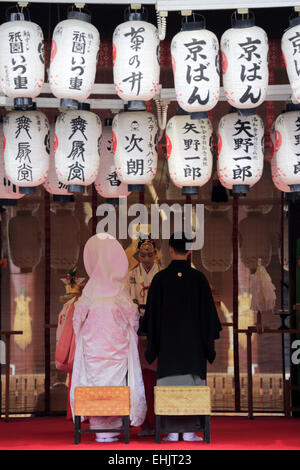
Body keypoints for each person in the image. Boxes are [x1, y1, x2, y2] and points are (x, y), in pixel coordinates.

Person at [141, 233, 222, 442]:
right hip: (193, 350)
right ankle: (189, 431)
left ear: (169, 250)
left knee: (170, 385)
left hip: (168, 349)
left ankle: (171, 430)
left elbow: (151, 317)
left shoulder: (160, 279)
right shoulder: (199, 279)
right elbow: (209, 317)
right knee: (191, 385)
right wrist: (206, 341)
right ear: (189, 251)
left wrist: (154, 341)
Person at [70, 234, 147, 443]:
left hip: (94, 349)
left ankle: (98, 427)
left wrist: (84, 335)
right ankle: (112, 428)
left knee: (94, 383)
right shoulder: (118, 289)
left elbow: (77, 318)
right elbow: (133, 317)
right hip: (116, 349)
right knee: (115, 383)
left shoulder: (90, 289)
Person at [127, 237, 162, 436]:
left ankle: (158, 420)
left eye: (150, 254)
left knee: (157, 376)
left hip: (157, 329)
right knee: (141, 377)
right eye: (143, 255)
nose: (147, 258)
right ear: (137, 255)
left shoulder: (163, 274)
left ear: (156, 254)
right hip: (138, 328)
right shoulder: (131, 275)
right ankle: (144, 421)